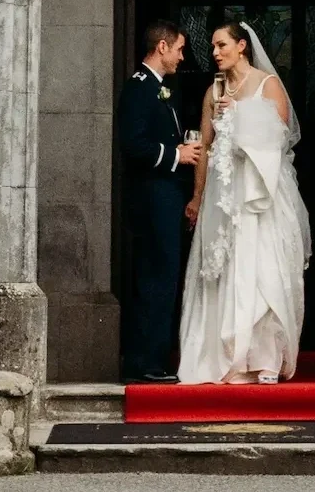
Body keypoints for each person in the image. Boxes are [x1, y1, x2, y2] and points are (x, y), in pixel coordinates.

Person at [177, 20, 310, 384]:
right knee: (226, 268)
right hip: (224, 193)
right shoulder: (213, 90)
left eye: (221, 45)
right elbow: (204, 148)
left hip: (259, 194)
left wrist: (243, 114)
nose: (215, 53)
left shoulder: (268, 85)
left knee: (261, 268)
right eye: (214, 47)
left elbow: (279, 142)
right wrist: (198, 195)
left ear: (241, 46)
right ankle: (227, 357)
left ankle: (265, 359)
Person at [117, 19, 203, 381]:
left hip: (163, 197)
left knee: (163, 275)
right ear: (163, 47)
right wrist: (176, 155)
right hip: (151, 198)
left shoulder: (158, 87)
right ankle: (145, 365)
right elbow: (132, 144)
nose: (182, 56)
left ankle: (153, 360)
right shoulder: (140, 88)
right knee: (156, 277)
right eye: (180, 48)